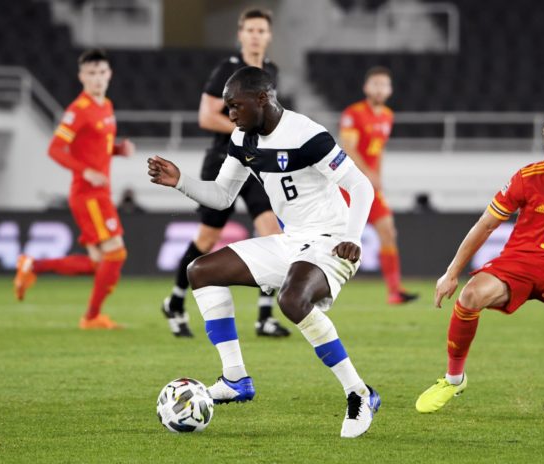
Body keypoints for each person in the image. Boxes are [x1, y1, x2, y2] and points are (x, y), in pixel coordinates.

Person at [147, 66, 380, 438]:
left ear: (262, 99)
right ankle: (236, 378)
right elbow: (223, 195)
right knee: (200, 270)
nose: (230, 115)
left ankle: (359, 392)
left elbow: (361, 186)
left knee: (291, 300)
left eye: (235, 105)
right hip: (292, 242)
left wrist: (352, 236)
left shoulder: (308, 136)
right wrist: (181, 182)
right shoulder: (243, 140)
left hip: (332, 242)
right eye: (227, 107)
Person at [415, 114, 544, 419]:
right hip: (519, 262)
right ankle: (453, 380)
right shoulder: (528, 177)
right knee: (470, 295)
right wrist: (451, 273)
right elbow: (486, 225)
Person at [161, 7, 290, 338]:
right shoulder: (228, 70)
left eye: (261, 31)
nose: (256, 36)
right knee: (206, 239)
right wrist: (248, 132)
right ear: (241, 34)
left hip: (256, 163)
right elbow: (206, 116)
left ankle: (264, 317)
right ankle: (175, 302)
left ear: (269, 36)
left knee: (272, 234)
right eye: (250, 30)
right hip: (224, 160)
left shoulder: (271, 70)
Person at [13, 49, 133, 330]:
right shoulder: (77, 110)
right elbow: (55, 149)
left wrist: (116, 150)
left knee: (96, 263)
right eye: (91, 73)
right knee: (116, 253)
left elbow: (94, 147)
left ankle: (32, 266)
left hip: (98, 192)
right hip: (88, 194)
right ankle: (91, 317)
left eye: (101, 72)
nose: (97, 78)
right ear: (81, 77)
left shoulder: (106, 105)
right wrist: (86, 171)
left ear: (109, 74)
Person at [339, 66, 418, 304]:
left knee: (388, 231)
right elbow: (348, 148)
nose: (380, 88)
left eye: (384, 84)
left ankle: (394, 291)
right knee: (333, 237)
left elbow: (379, 151)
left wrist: (378, 178)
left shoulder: (387, 115)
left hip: (372, 186)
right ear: (366, 87)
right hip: (349, 184)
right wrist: (369, 172)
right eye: (375, 84)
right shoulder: (353, 113)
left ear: (390, 89)